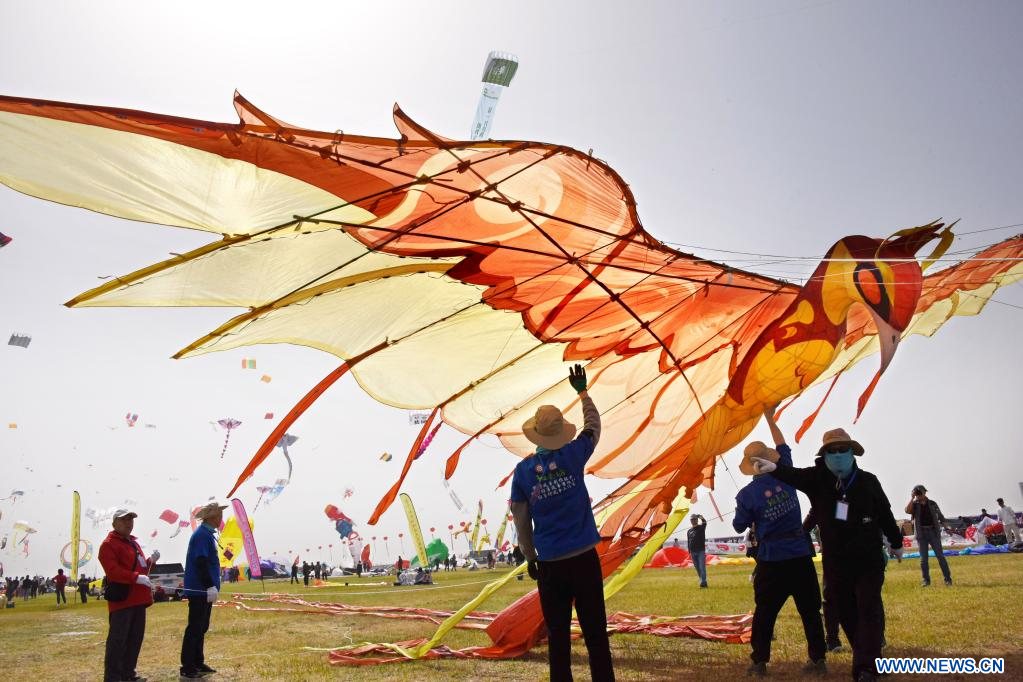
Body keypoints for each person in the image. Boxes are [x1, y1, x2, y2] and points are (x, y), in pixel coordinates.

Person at [753, 425, 903, 682]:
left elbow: (886, 514)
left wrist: (896, 541)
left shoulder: (868, 482)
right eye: (831, 451)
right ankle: (867, 654)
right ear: (824, 455)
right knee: (844, 610)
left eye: (842, 449)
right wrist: (775, 469)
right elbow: (794, 475)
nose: (837, 455)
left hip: (868, 559)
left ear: (852, 453)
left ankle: (866, 667)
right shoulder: (818, 479)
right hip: (836, 563)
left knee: (868, 605)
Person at [510, 364, 614, 682]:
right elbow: (594, 426)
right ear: (560, 431)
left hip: (551, 564)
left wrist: (530, 557)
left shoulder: (524, 472)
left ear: (536, 435)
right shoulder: (573, 454)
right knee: (595, 631)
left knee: (558, 636)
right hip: (583, 558)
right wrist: (583, 393)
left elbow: (521, 519)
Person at [734, 406, 826, 677]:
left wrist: (749, 512)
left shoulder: (746, 494)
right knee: (810, 610)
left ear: (751, 466)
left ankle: (760, 662)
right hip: (799, 554)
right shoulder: (786, 474)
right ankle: (818, 659)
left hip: (772, 558)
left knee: (765, 613)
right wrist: (769, 416)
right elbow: (782, 444)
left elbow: (739, 525)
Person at [98, 508, 158, 682]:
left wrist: (150, 562)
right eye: (124, 520)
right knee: (117, 642)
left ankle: (128, 674)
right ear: (115, 523)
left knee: (134, 641)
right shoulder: (108, 544)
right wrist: (135, 577)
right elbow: (113, 571)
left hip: (139, 599)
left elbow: (141, 569)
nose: (128, 523)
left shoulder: (134, 543)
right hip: (123, 601)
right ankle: (113, 678)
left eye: (130, 520)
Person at [180, 501, 226, 679]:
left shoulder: (207, 534)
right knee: (195, 628)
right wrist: (209, 586)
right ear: (211, 517)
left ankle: (198, 662)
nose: (221, 518)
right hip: (200, 589)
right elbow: (200, 561)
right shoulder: (202, 535)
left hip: (204, 590)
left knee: (202, 627)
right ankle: (188, 665)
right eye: (218, 515)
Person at [905, 485, 952, 586]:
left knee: (940, 557)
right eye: (917, 493)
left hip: (933, 532)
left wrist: (947, 527)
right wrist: (912, 498)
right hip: (921, 534)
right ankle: (926, 580)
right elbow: (907, 510)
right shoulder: (914, 504)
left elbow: (941, 517)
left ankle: (948, 579)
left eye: (919, 493)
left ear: (924, 492)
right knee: (924, 559)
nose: (918, 495)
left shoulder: (932, 503)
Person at [687, 514, 708, 588]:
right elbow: (688, 541)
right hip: (692, 552)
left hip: (700, 551)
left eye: (694, 519)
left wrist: (701, 517)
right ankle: (703, 581)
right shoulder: (689, 531)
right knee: (697, 568)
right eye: (692, 519)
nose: (693, 520)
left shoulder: (701, 528)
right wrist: (689, 551)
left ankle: (703, 581)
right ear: (690, 521)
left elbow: (705, 523)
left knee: (702, 567)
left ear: (697, 520)